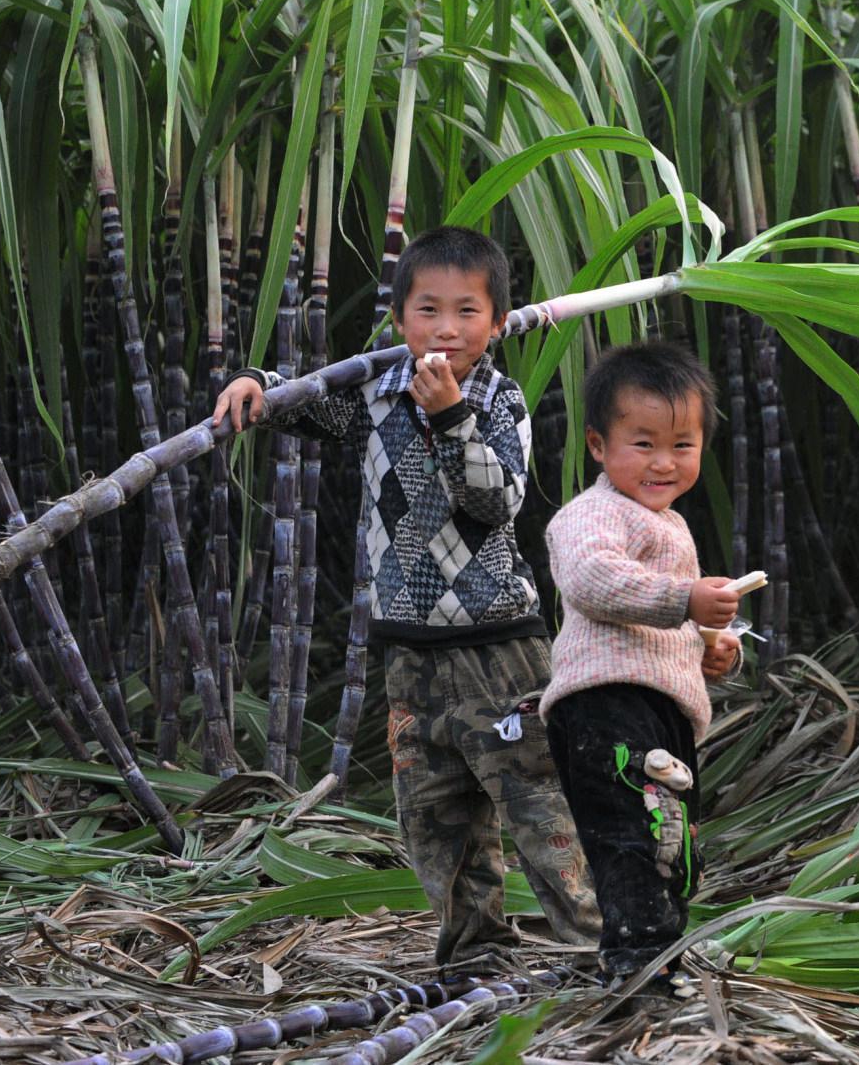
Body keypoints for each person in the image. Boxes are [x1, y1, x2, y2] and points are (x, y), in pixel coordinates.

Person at [213, 227, 600, 978]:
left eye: (466, 311)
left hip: (498, 649)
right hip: (409, 655)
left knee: (538, 810)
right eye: (428, 310)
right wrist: (256, 383)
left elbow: (499, 499)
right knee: (434, 822)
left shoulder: (498, 399)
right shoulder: (378, 393)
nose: (446, 328)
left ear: (496, 323)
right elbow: (305, 407)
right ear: (399, 320)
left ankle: (602, 946)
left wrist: (452, 416)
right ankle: (475, 958)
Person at [539, 342, 743, 996]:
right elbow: (593, 578)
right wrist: (682, 599)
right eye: (644, 442)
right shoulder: (594, 514)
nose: (663, 462)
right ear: (599, 445)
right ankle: (642, 963)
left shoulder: (671, 523)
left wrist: (716, 648)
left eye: (682, 445)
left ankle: (661, 952)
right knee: (633, 828)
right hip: (604, 701)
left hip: (658, 708)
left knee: (671, 840)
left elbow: (680, 626)